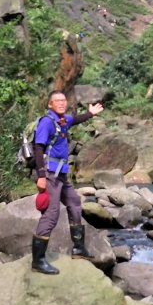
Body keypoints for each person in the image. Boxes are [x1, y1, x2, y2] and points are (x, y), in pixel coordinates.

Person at [31, 90, 104, 274]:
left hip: (62, 174)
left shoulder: (62, 121)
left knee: (74, 203)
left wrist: (90, 114)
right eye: (57, 101)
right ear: (50, 104)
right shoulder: (47, 122)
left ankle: (78, 248)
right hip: (49, 174)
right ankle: (38, 261)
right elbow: (38, 148)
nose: (62, 103)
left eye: (63, 100)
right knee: (51, 213)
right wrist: (40, 175)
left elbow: (76, 119)